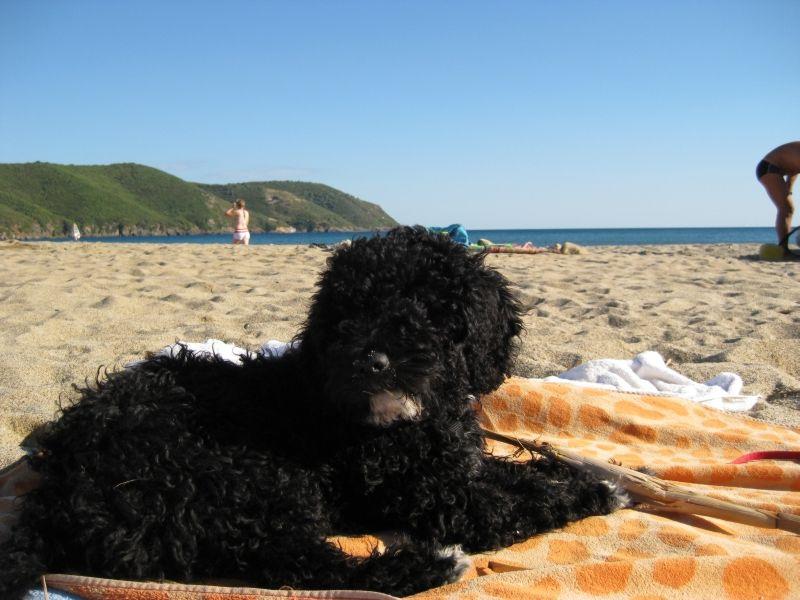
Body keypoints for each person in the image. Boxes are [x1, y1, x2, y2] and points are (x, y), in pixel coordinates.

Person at [757, 141, 799, 257]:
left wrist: (789, 188)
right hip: (769, 168)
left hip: (780, 169)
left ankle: (784, 248)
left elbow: (794, 169)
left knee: (788, 209)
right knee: (786, 209)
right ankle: (783, 249)